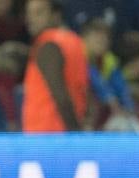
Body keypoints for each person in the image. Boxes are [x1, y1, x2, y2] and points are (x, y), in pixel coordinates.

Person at [21, 0, 89, 132]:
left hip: (46, 132)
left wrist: (74, 132)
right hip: (61, 130)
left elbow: (60, 95)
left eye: (39, 13)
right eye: (29, 13)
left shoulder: (48, 45)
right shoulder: (74, 40)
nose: (30, 19)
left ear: (55, 15)